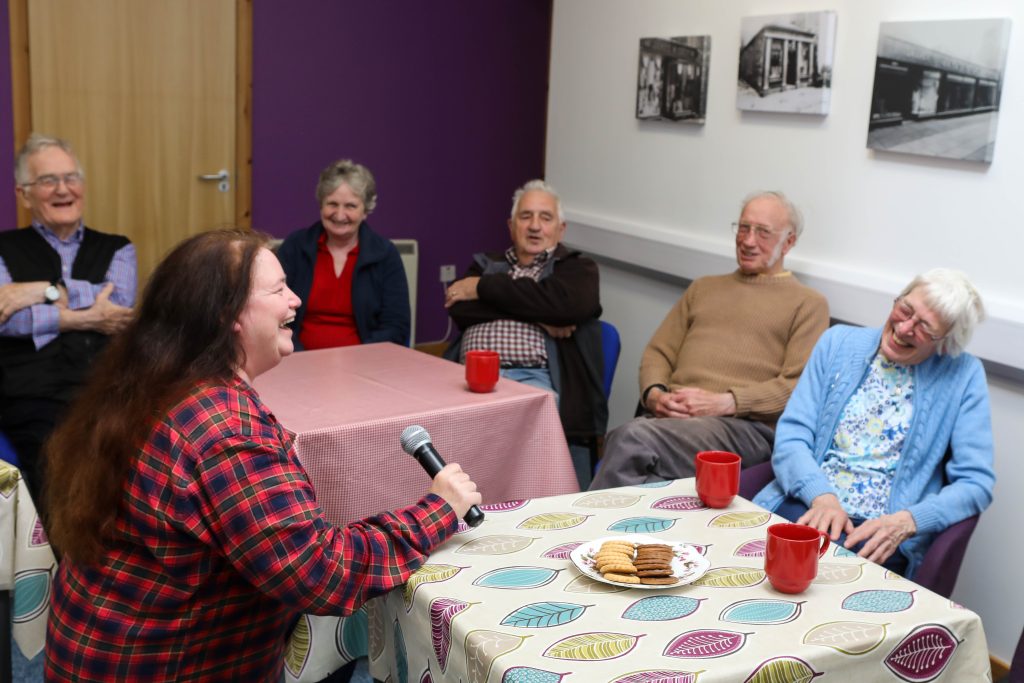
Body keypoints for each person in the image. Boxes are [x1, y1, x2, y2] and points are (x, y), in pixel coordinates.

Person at [43, 229, 480, 681]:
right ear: (227, 314)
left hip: (99, 647)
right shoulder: (223, 427)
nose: (295, 300)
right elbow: (320, 573)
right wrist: (439, 509)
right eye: (278, 290)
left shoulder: (154, 381)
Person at [753, 269, 994, 577]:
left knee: (822, 579)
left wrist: (909, 521)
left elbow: (976, 484)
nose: (904, 327)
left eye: (924, 328)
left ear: (945, 342)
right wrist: (821, 497)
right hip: (807, 502)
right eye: (905, 310)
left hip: (878, 531)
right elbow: (792, 437)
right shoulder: (837, 342)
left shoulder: (964, 375)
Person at [590, 191, 829, 489]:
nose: (748, 240)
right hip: (672, 421)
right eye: (743, 228)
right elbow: (658, 353)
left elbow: (795, 387)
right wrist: (655, 395)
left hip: (744, 427)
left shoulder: (808, 304)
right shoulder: (704, 288)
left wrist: (724, 402)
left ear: (789, 242)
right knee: (648, 479)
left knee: (630, 439)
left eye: (763, 232)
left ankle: (582, 531)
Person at [0, 133, 136, 509]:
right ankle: (66, 564)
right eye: (47, 181)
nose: (63, 189)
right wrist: (87, 313)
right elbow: (6, 320)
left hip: (104, 384)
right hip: (31, 393)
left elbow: (120, 306)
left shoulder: (118, 247)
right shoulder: (2, 249)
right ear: (24, 193)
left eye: (71, 177)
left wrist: (36, 293)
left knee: (126, 468)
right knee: (56, 474)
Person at [443, 179, 606, 485]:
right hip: (468, 376)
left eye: (545, 218)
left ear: (561, 229)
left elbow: (569, 307)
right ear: (510, 225)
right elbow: (460, 308)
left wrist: (483, 290)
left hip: (535, 380)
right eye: (525, 216)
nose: (535, 226)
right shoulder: (485, 265)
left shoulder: (576, 268)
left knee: (514, 456)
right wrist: (540, 313)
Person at [277, 158, 410, 349]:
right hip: (297, 359)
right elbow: (276, 315)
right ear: (321, 205)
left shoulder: (385, 254)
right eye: (332, 204)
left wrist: (359, 358)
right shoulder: (295, 247)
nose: (340, 215)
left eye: (350, 206)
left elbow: (396, 325)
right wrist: (296, 354)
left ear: (366, 210)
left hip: (366, 363)